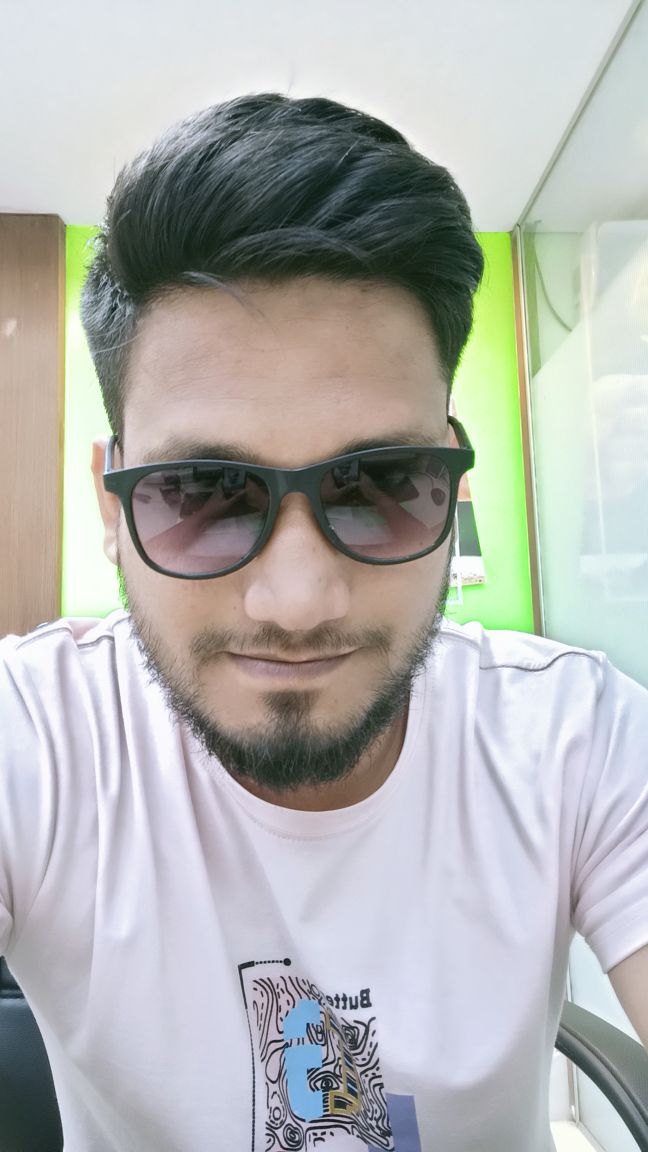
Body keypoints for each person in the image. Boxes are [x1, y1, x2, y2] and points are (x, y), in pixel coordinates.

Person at [1, 93, 647, 1152]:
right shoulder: (37, 740)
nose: (297, 602)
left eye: (380, 481)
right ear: (111, 506)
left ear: (454, 482)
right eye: (203, 491)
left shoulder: (579, 736)